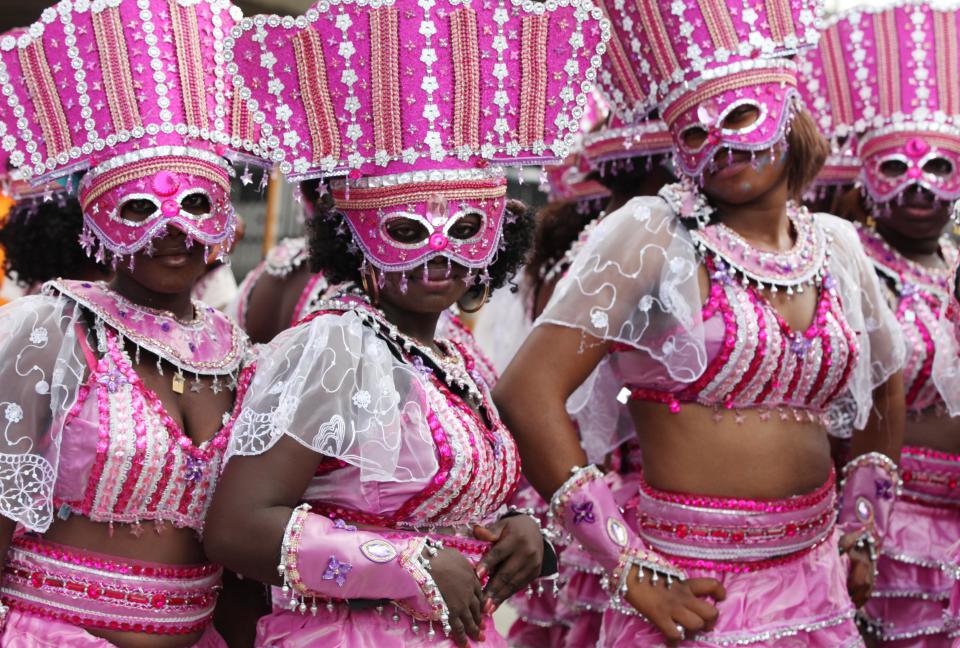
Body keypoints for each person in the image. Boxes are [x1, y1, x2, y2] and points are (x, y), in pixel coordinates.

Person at [494, 0, 907, 644]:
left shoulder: (838, 247)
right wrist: (627, 564)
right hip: (695, 592)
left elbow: (887, 382)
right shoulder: (652, 234)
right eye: (692, 133)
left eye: (738, 114)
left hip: (817, 582)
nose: (717, 143)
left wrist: (863, 525)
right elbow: (526, 390)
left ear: (785, 108)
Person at [202, 1, 607, 646]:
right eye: (406, 229)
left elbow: (474, 509)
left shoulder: (459, 357)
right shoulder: (334, 344)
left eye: (465, 230)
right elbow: (236, 526)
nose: (437, 255)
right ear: (356, 237)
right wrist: (403, 565)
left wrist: (526, 535)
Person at [0, 1, 260, 645]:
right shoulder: (52, 328)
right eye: (139, 206)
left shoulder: (238, 352)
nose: (171, 231)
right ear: (92, 217)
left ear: (226, 216)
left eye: (196, 203)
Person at [800, 4, 960, 644]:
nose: (918, 189)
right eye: (896, 168)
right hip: (886, 527)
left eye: (939, 167)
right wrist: (855, 527)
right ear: (866, 177)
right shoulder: (844, 266)